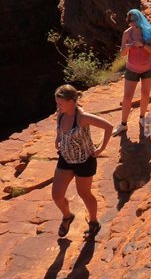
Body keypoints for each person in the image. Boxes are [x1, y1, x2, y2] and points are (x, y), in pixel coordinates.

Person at [52, 84, 113, 240]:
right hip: (66, 159)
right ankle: (67, 216)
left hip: (84, 161)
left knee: (84, 194)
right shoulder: (61, 113)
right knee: (57, 196)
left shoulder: (83, 117)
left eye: (60, 103)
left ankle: (93, 222)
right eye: (57, 103)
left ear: (72, 101)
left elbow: (109, 126)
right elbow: (60, 127)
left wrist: (100, 149)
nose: (57, 106)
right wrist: (58, 137)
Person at [112, 9, 151, 138]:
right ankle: (123, 123)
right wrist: (127, 47)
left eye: (133, 20)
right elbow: (122, 53)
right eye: (129, 20)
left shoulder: (148, 32)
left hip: (148, 67)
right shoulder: (127, 33)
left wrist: (142, 45)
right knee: (127, 97)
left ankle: (142, 117)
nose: (130, 23)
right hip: (132, 68)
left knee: (145, 93)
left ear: (139, 19)